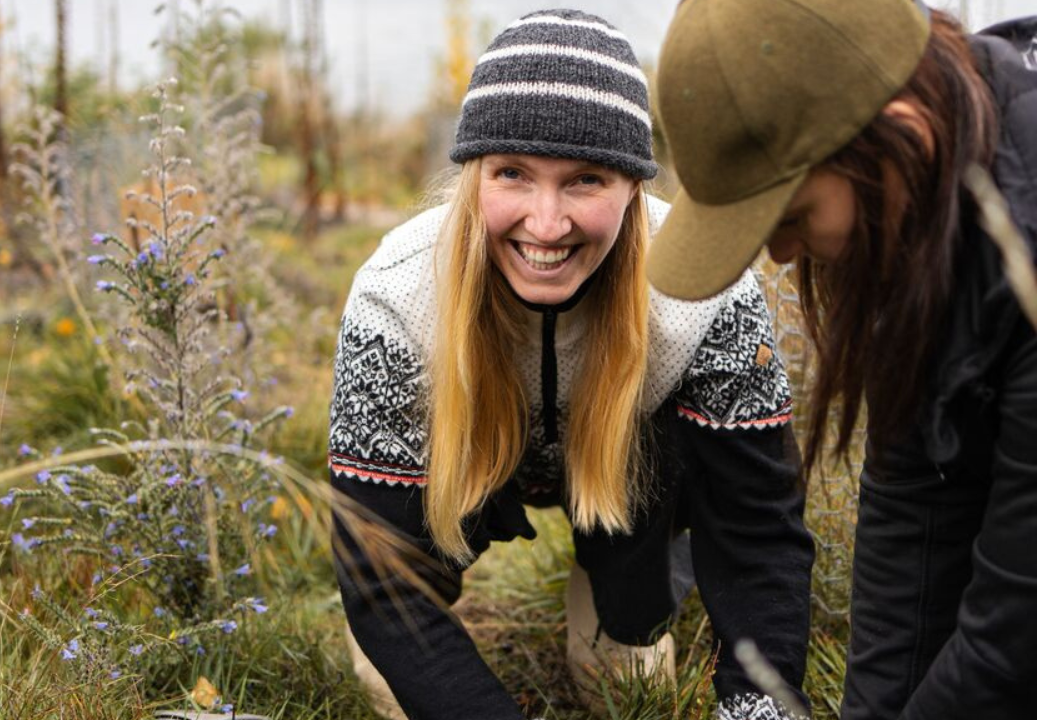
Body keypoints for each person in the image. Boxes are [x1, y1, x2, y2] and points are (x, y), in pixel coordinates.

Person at [329, 9, 814, 720]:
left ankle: (623, 597)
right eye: (514, 174)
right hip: (462, 478)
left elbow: (758, 526)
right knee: (390, 685)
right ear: (474, 174)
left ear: (633, 186)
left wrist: (761, 708)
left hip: (627, 492)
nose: (546, 224)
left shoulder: (705, 286)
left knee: (630, 690)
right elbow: (379, 575)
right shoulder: (395, 297)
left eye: (586, 180)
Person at [648, 0, 1037, 718]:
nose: (782, 253)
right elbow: (917, 505)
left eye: (792, 217)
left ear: (901, 133)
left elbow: (1017, 626)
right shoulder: (927, 195)